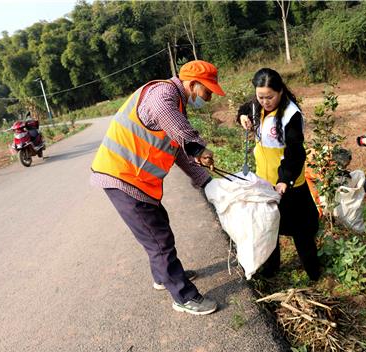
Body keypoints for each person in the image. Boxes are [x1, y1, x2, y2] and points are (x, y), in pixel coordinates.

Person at [90, 60, 225, 316]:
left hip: (135, 179)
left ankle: (163, 276)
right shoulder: (163, 94)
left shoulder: (176, 105)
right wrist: (196, 144)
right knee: (159, 240)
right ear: (193, 84)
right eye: (207, 92)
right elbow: (170, 120)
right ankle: (183, 296)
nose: (207, 98)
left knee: (158, 227)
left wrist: (204, 179)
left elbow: (178, 152)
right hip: (123, 177)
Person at [237, 68, 320, 281]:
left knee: (301, 231)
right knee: (268, 226)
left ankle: (314, 273)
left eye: (270, 97)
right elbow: (243, 109)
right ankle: (271, 268)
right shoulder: (256, 106)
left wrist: (285, 180)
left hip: (288, 184)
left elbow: (295, 152)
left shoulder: (290, 115)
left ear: (280, 91)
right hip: (264, 181)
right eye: (260, 96)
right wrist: (243, 117)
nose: (265, 101)